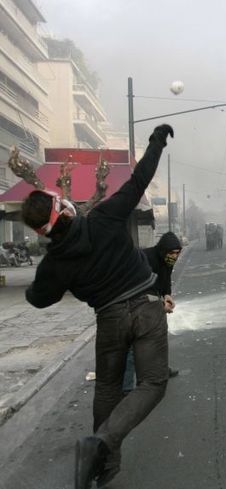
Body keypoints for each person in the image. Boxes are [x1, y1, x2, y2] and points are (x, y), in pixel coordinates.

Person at [21, 124, 174, 488]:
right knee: (152, 382)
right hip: (146, 306)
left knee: (107, 389)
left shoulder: (55, 263)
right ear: (64, 207)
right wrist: (156, 141)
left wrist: (48, 267)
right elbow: (139, 180)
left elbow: (38, 299)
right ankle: (103, 443)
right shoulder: (103, 218)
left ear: (40, 231)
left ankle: (102, 465)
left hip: (108, 319)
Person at [122, 232, 182, 394]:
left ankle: (161, 370)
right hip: (133, 302)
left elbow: (166, 278)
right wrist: (159, 304)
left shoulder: (167, 259)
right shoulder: (146, 258)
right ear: (163, 250)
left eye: (177, 253)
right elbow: (141, 287)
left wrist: (167, 294)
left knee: (158, 339)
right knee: (134, 345)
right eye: (172, 253)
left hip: (153, 302)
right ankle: (127, 387)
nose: (174, 257)